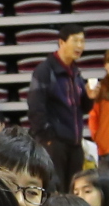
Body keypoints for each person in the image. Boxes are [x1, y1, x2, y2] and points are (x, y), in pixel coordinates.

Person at [27, 32, 90, 192]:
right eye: (75, 41)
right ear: (61, 42)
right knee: (55, 190)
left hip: (75, 143)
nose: (80, 46)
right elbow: (35, 106)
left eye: (82, 41)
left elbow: (84, 108)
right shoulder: (45, 70)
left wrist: (91, 97)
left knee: (74, 191)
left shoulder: (75, 72)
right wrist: (47, 138)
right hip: (55, 143)